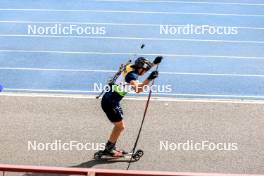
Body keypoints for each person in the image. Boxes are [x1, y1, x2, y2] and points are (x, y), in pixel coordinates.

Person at [101, 57, 161, 157]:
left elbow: (144, 67)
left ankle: (110, 146)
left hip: (110, 99)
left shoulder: (130, 67)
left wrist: (155, 63)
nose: (145, 71)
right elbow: (138, 89)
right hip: (110, 103)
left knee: (119, 126)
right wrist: (149, 79)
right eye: (145, 69)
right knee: (120, 126)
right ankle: (109, 148)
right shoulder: (131, 75)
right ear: (140, 68)